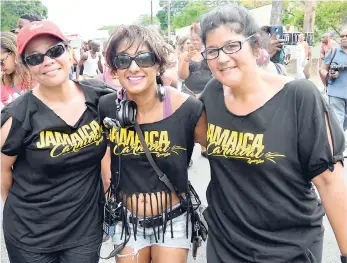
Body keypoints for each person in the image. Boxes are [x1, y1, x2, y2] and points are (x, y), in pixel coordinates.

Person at [199, 5, 347, 263]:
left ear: (256, 47)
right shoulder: (212, 94)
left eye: (232, 46)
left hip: (290, 247)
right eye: (212, 51)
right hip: (227, 246)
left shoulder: (299, 97)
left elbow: (330, 182)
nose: (222, 58)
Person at [1, 20, 114, 262]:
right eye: (35, 57)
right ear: (26, 66)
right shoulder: (17, 116)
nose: (47, 61)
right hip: (30, 237)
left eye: (55, 51)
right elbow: (2, 173)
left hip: (84, 230)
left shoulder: (100, 99)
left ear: (68, 52)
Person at [98, 24, 207, 263]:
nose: (134, 67)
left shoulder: (188, 109)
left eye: (144, 58)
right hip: (126, 220)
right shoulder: (106, 106)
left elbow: (219, 153)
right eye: (123, 60)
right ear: (115, 68)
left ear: (157, 63)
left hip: (173, 220)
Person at [178, 22, 211, 158]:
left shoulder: (209, 53)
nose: (195, 43)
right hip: (190, 92)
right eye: (192, 40)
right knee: (189, 122)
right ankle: (188, 152)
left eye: (197, 39)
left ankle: (205, 147)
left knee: (207, 120)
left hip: (207, 91)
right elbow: (182, 76)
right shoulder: (185, 55)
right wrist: (186, 60)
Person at [320, 28, 347, 132]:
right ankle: (338, 146)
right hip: (336, 94)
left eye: (346, 36)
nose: (344, 38)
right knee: (337, 123)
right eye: (342, 36)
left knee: (343, 124)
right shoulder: (333, 52)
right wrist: (329, 75)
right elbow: (323, 69)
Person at [1, 32, 35, 108]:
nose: (0, 67)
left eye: (1, 62)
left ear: (14, 52)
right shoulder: (2, 84)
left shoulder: (37, 76)